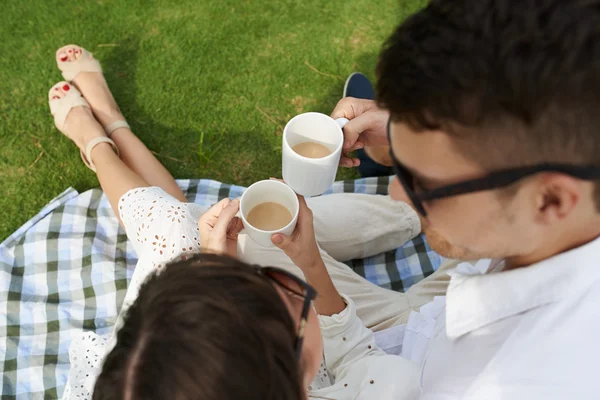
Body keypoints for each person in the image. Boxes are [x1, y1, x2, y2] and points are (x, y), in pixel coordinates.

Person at [49, 45, 451, 399]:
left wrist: (213, 271)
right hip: (427, 327)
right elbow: (358, 354)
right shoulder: (390, 386)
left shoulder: (148, 381)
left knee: (181, 232)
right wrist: (309, 262)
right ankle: (105, 131)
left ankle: (101, 139)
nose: (290, 288)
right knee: (224, 235)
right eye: (282, 298)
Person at [333, 0, 600, 397]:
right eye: (398, 166)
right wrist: (410, 132)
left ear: (550, 201)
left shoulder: (506, 382)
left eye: (423, 181)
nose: (395, 193)